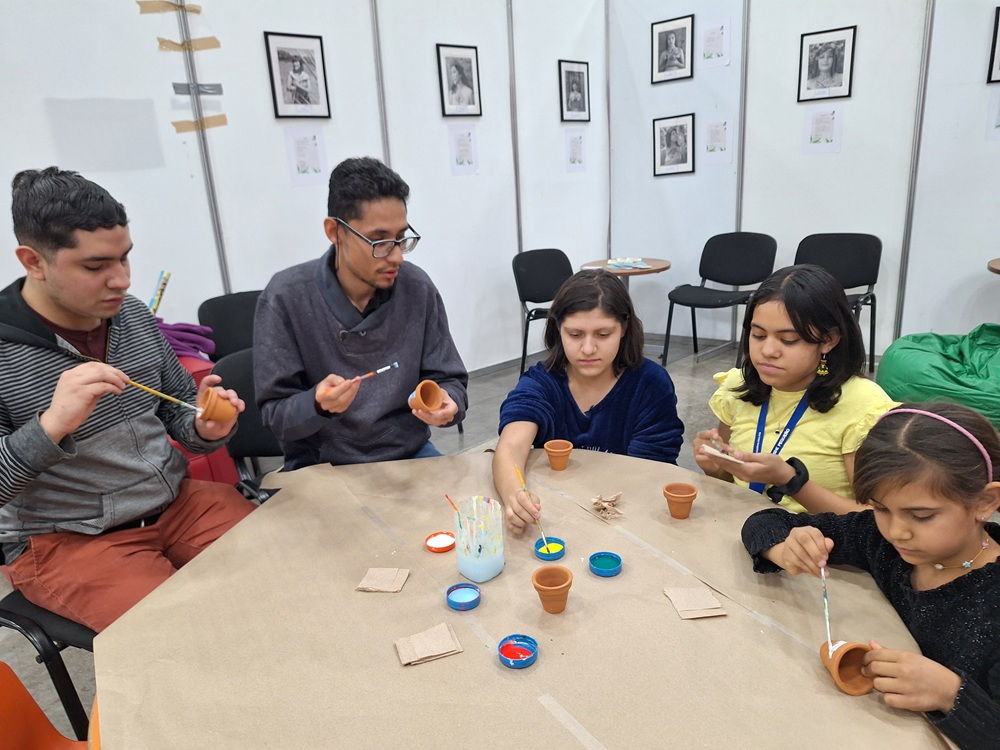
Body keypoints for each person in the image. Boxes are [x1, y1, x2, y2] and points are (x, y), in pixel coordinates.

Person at [0, 168, 254, 632]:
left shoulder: (132, 316)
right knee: (192, 637)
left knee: (289, 569)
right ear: (33, 262)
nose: (121, 280)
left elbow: (178, 407)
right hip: (69, 538)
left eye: (125, 258)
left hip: (175, 503)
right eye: (96, 267)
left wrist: (202, 427)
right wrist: (51, 426)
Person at [741, 402, 1000, 749]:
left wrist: (951, 695)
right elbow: (763, 521)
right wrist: (784, 545)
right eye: (880, 508)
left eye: (920, 516)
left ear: (985, 502)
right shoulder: (880, 541)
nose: (897, 531)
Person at [254, 157, 468, 470]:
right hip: (322, 466)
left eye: (401, 238)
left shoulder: (416, 287)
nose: (395, 256)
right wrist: (316, 404)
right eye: (379, 241)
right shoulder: (286, 297)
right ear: (334, 231)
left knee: (466, 511)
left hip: (407, 454)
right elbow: (276, 417)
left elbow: (449, 377)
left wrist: (449, 402)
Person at [693, 264, 896, 514]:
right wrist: (715, 466)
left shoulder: (863, 405)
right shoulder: (739, 387)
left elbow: (879, 519)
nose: (768, 351)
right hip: (744, 531)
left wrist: (792, 481)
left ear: (828, 340)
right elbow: (729, 485)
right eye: (758, 335)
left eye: (788, 340)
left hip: (820, 544)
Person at [494, 269, 684, 533]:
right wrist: (515, 496)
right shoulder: (542, 382)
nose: (587, 349)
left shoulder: (650, 384)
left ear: (624, 328)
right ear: (558, 328)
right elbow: (511, 445)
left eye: (603, 335)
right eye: (575, 334)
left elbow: (647, 472)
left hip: (629, 520)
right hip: (556, 518)